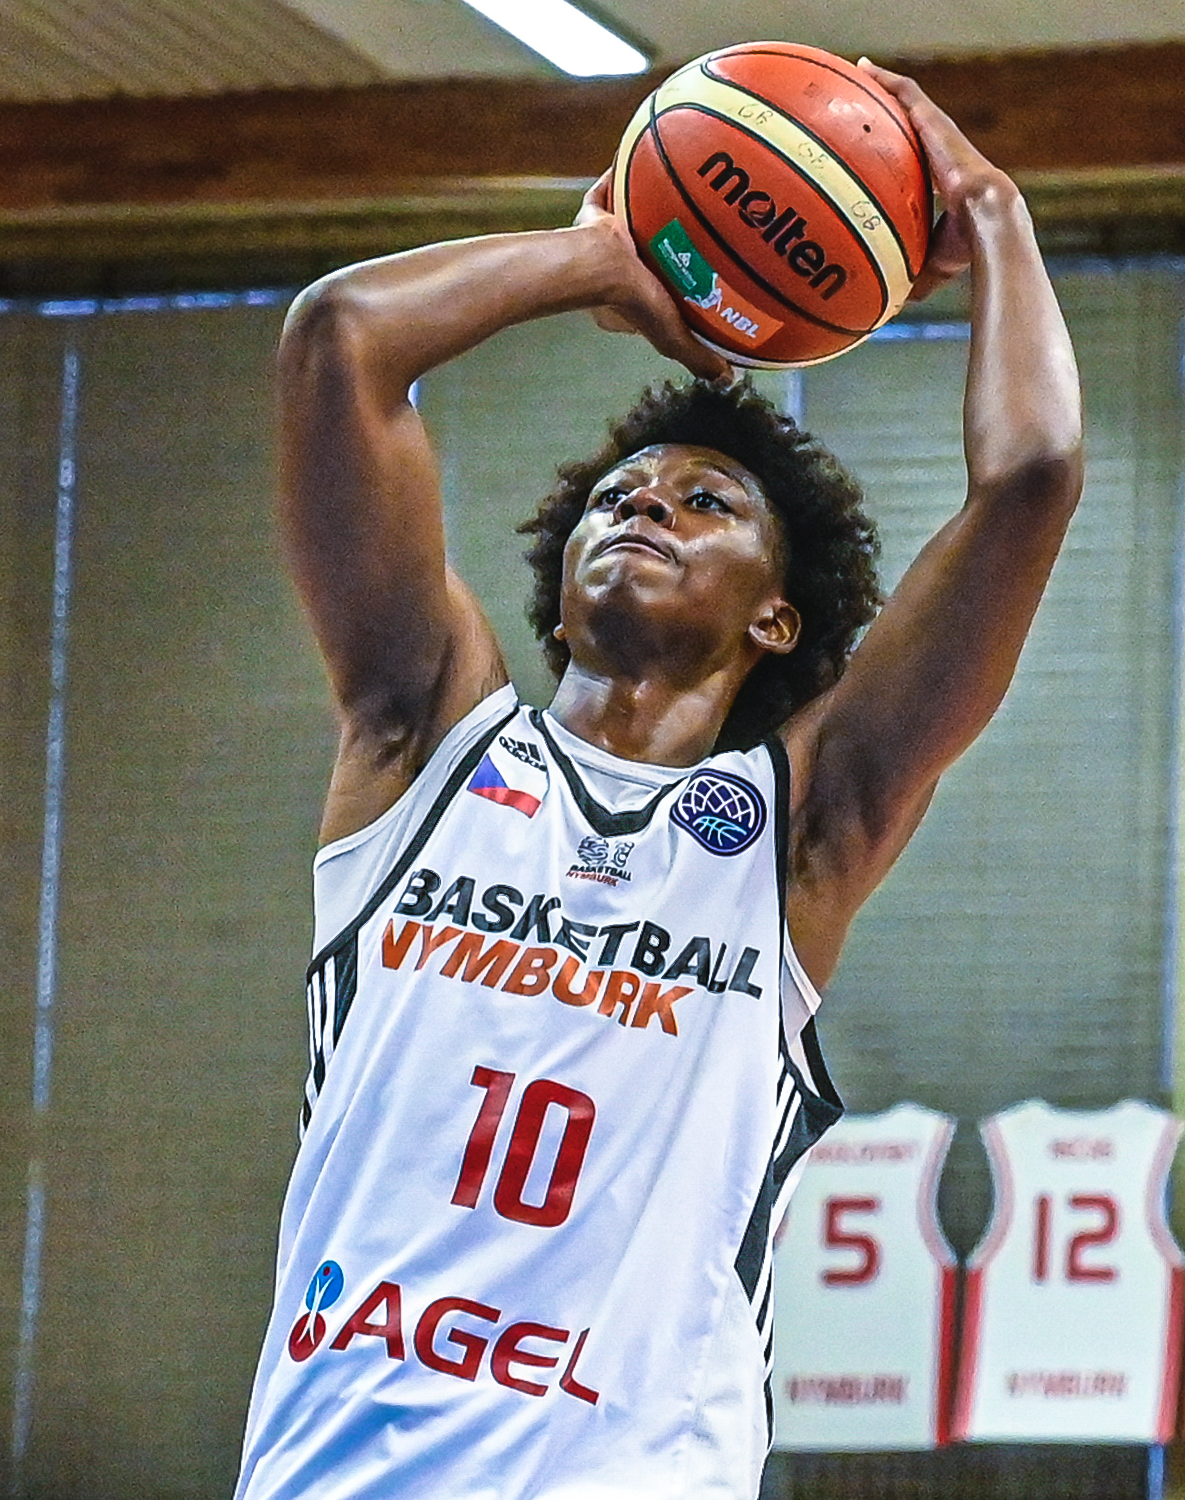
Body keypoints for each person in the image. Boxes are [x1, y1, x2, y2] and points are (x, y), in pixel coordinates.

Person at [233, 62, 1082, 1500]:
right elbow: (341, 341)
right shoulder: (422, 739)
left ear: (777, 617)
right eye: (619, 496)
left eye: (707, 502)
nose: (645, 505)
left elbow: (1034, 477)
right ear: (560, 582)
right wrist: (606, 260)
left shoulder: (799, 833)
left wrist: (991, 208)